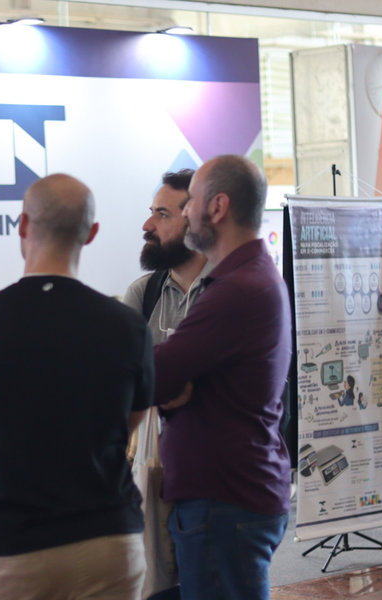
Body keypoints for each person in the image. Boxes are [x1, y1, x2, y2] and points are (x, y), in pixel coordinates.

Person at [0, 173, 155, 600]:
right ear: (91, 233)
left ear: (22, 225)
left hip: (13, 546)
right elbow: (129, 425)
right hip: (110, 541)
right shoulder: (129, 327)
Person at [152, 155, 291, 600]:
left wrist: (169, 379)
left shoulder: (236, 290)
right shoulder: (249, 279)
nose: (186, 211)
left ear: (218, 207)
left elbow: (156, 376)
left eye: (190, 200)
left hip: (224, 501)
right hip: (231, 496)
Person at [122, 168, 210, 600]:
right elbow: (122, 381)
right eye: (151, 212)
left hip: (212, 481)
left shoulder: (228, 290)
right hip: (152, 477)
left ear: (193, 219)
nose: (147, 225)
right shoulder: (143, 294)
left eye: (161, 215)